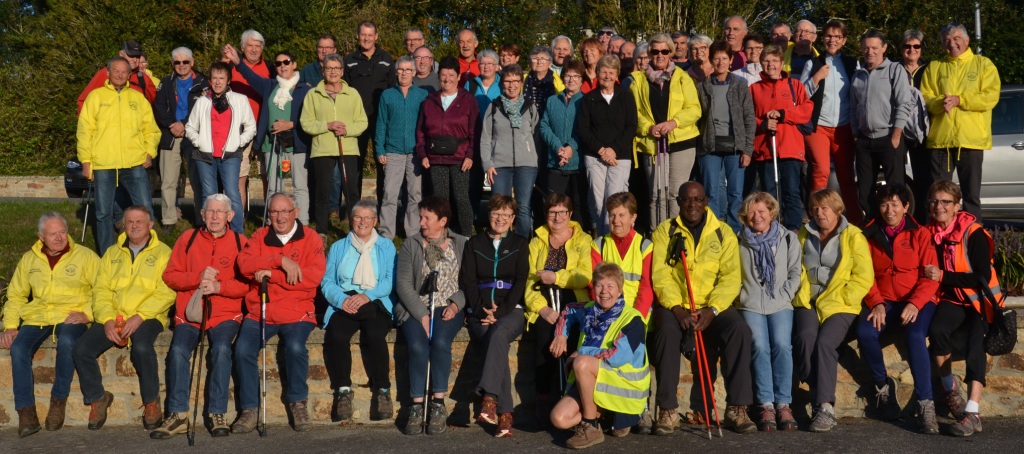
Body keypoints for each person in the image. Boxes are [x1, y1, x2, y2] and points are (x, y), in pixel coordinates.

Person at [649, 182, 754, 435]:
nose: (692, 205)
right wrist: (676, 308)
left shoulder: (723, 232)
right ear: (678, 202)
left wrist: (714, 309)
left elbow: (730, 278)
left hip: (711, 304)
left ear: (706, 201)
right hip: (676, 305)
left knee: (740, 331)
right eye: (686, 200)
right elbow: (661, 276)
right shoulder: (665, 231)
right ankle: (668, 410)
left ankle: (737, 408)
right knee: (666, 333)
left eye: (697, 200)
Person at [152, 194, 248, 439]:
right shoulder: (188, 238)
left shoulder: (240, 242)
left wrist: (219, 287)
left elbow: (247, 285)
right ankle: (177, 414)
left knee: (223, 349)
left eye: (220, 212)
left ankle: (217, 413)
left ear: (230, 216)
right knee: (177, 351)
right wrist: (197, 277)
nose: (215, 216)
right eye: (210, 211)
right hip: (190, 312)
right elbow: (170, 275)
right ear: (202, 214)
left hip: (226, 313)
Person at [72, 206, 175, 431]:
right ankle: (98, 398)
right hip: (115, 315)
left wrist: (140, 317)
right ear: (123, 225)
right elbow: (100, 290)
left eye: (140, 221)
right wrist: (107, 319)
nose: (135, 225)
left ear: (150, 225)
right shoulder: (112, 253)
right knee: (81, 349)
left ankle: (151, 402)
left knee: (141, 347)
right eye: (130, 222)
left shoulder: (164, 253)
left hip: (148, 316)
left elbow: (167, 291)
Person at [233, 193, 326, 433]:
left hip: (297, 311)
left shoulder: (311, 238)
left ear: (295, 212)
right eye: (274, 211)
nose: (280, 217)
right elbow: (244, 264)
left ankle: (298, 402)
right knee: (243, 350)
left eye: (285, 211)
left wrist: (271, 274)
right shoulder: (260, 236)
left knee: (295, 348)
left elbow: (312, 277)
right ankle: (250, 409)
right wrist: (279, 260)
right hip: (260, 309)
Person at [3, 213, 99, 437]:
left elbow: (102, 290)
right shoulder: (30, 259)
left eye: (62, 232)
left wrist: (88, 314)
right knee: (17, 349)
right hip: (37, 316)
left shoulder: (85, 256)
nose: (59, 238)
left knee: (67, 342)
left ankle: (58, 401)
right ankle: (26, 412)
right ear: (41, 236)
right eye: (52, 234)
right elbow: (16, 295)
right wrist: (10, 325)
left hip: (70, 314)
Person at [856, 184, 939, 432]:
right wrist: (876, 302)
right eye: (884, 204)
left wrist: (915, 303)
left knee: (915, 335)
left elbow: (930, 276)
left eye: (894, 204)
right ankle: (882, 387)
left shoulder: (921, 234)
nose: (889, 210)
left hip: (917, 300)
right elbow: (864, 274)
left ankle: (926, 404)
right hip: (885, 300)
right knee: (865, 333)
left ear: (906, 206)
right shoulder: (868, 235)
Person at [924, 180, 1002, 437]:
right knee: (937, 331)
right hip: (953, 299)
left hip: (979, 300)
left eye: (946, 201)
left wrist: (943, 276)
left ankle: (973, 412)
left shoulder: (975, 232)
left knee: (975, 346)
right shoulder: (929, 232)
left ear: (957, 205)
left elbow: (980, 277)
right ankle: (950, 390)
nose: (939, 206)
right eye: (935, 201)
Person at [793, 189, 873, 432]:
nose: (819, 213)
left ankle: (825, 406)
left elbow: (863, 276)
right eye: (815, 209)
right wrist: (800, 294)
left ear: (838, 210)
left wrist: (845, 297)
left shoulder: (853, 235)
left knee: (825, 343)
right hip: (809, 299)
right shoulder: (804, 234)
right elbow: (795, 267)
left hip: (840, 303)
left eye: (824, 208)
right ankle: (818, 390)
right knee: (805, 338)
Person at [549, 263, 650, 448]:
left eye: (610, 286)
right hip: (595, 380)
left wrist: (581, 352)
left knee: (581, 363)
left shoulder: (633, 319)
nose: (604, 292)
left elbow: (616, 356)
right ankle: (600, 411)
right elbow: (568, 310)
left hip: (622, 387)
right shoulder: (589, 310)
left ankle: (591, 426)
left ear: (620, 290)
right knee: (559, 419)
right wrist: (561, 335)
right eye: (599, 285)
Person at [394, 196, 468, 435]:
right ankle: (416, 405)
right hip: (416, 307)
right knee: (416, 345)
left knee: (439, 342)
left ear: (443, 221)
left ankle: (437, 403)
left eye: (427, 218)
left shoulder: (461, 243)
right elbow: (404, 284)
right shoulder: (411, 244)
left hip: (448, 307)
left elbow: (470, 282)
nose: (422, 222)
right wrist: (423, 315)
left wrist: (456, 304)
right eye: (421, 217)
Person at [321, 199, 396, 423]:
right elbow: (327, 281)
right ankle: (343, 391)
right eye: (357, 217)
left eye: (367, 218)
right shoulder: (338, 247)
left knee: (374, 334)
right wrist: (342, 299)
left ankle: (382, 390)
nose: (362, 222)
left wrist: (367, 296)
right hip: (346, 301)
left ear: (375, 221)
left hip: (376, 301)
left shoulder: (386, 246)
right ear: (350, 220)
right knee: (337, 335)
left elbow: (389, 280)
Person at [77, 56, 160, 255]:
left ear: (129, 74)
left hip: (134, 163)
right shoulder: (95, 97)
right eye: (116, 71)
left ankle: (149, 253)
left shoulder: (138, 99)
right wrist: (86, 161)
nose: (120, 75)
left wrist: (149, 152)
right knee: (103, 213)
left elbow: (152, 130)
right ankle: (107, 255)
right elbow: (85, 131)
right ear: (108, 73)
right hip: (103, 164)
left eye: (124, 72)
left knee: (145, 209)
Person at [463, 195, 530, 438]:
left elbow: (521, 280)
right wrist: (482, 309)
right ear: (488, 215)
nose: (500, 219)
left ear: (513, 219)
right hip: (479, 311)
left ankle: (490, 397)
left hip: (511, 310)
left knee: (499, 332)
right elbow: (468, 281)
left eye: (506, 215)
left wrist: (500, 312)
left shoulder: (521, 243)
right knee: (495, 337)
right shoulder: (474, 243)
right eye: (495, 214)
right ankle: (504, 414)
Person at [919, 23, 1001, 221]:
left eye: (956, 38)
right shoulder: (935, 67)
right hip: (940, 143)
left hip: (970, 142)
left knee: (971, 197)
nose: (951, 43)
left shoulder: (983, 65)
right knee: (938, 198)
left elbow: (990, 96)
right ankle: (938, 242)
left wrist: (960, 100)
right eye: (946, 39)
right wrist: (941, 103)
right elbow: (924, 98)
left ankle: (971, 240)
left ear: (967, 40)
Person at [524, 194, 594, 423]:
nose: (557, 217)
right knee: (545, 339)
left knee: (575, 339)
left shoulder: (583, 240)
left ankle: (576, 399)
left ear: (570, 214)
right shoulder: (536, 241)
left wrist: (556, 277)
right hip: (545, 302)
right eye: (552, 212)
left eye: (562, 212)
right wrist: (541, 308)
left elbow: (585, 275)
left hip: (575, 300)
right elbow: (527, 280)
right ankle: (543, 399)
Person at [735, 192, 801, 431]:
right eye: (751, 212)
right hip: (751, 303)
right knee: (760, 346)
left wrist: (786, 294)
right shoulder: (739, 240)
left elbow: (795, 271)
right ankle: (766, 405)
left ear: (772, 212)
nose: (757, 216)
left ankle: (784, 403)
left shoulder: (787, 238)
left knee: (782, 344)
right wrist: (742, 294)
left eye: (762, 211)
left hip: (780, 302)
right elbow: (734, 273)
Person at [226, 47, 314, 226]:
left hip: (296, 143)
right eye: (279, 63)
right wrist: (237, 61)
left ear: (294, 64)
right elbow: (250, 77)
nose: (283, 66)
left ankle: (303, 224)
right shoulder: (270, 86)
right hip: (272, 143)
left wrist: (290, 124)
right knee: (274, 187)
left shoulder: (305, 90)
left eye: (286, 62)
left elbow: (311, 117)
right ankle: (273, 222)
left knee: (300, 187)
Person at [631, 34, 701, 229]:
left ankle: (677, 234)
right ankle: (657, 235)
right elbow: (634, 113)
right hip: (653, 144)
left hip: (681, 143)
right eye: (655, 51)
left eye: (664, 51)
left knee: (676, 194)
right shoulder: (638, 81)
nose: (659, 55)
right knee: (656, 195)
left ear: (670, 53)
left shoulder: (683, 78)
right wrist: (648, 128)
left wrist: (674, 122)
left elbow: (695, 109)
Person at [800, 19, 862, 225]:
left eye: (837, 36)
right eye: (828, 36)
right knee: (821, 172)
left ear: (844, 40)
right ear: (822, 38)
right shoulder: (813, 63)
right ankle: (816, 218)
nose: (832, 40)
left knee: (846, 177)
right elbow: (801, 96)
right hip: (818, 127)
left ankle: (855, 222)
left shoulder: (853, 64)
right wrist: (816, 77)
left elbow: (861, 94)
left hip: (844, 127)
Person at [185, 62, 257, 235]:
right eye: (214, 78)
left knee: (232, 194)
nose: (218, 82)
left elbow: (251, 127)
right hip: (205, 156)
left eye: (221, 78)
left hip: (230, 155)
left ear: (228, 80)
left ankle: (238, 233)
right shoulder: (202, 101)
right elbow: (190, 127)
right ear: (210, 80)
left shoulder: (240, 100)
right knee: (208, 195)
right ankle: (209, 231)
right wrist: (199, 142)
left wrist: (238, 142)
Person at [300, 53, 369, 236]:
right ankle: (321, 232)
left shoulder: (352, 93)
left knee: (351, 191)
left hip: (348, 148)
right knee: (322, 191)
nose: (333, 72)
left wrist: (347, 130)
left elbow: (362, 122)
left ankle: (356, 231)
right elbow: (306, 123)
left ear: (342, 70)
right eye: (329, 68)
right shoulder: (313, 94)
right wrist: (327, 126)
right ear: (323, 70)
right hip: (322, 150)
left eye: (337, 68)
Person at [851, 30, 914, 219]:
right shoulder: (858, 75)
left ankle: (897, 230)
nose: (870, 51)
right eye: (866, 48)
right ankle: (874, 229)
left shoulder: (895, 70)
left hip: (888, 138)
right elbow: (853, 108)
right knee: (864, 191)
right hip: (864, 141)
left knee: (895, 191)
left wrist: (896, 134)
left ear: (884, 48)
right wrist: (855, 133)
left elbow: (905, 102)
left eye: (875, 48)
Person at [749, 44, 813, 230]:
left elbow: (806, 110)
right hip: (765, 149)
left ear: (782, 63)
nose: (771, 65)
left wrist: (783, 115)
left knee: (791, 192)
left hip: (790, 148)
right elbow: (746, 116)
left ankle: (793, 229)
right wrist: (762, 124)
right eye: (766, 61)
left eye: (775, 61)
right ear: (761, 63)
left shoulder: (795, 85)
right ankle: (771, 228)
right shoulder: (754, 89)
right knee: (769, 193)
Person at [695, 40, 755, 233]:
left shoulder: (740, 85)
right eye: (716, 58)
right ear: (711, 60)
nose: (720, 62)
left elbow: (749, 118)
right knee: (711, 191)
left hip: (736, 146)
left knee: (735, 192)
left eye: (724, 58)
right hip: (709, 145)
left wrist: (747, 149)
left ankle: (735, 231)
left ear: (730, 60)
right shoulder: (702, 86)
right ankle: (714, 231)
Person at [416, 57, 479, 237]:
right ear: (438, 76)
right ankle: (442, 235)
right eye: (443, 75)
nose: (447, 79)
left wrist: (470, 154)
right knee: (440, 200)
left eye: (451, 75)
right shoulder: (429, 101)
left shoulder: (468, 100)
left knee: (461, 198)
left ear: (458, 76)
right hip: (435, 158)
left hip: (460, 157)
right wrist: (422, 154)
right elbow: (421, 131)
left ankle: (466, 235)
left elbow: (475, 130)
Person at [579, 55, 637, 236]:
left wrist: (613, 150)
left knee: (616, 201)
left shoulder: (626, 97)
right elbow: (583, 130)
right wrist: (602, 150)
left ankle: (618, 239)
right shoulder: (589, 99)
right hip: (595, 157)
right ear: (597, 73)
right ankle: (602, 239)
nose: (607, 76)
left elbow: (631, 126)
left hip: (620, 157)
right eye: (604, 71)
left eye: (611, 72)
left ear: (617, 74)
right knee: (598, 202)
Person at [481, 64, 541, 237]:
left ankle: (521, 245)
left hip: (526, 165)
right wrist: (487, 164)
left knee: (523, 207)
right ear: (502, 83)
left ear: (521, 83)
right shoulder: (494, 107)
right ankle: (500, 240)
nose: (512, 85)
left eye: (516, 81)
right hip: (499, 165)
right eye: (508, 81)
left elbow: (536, 136)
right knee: (499, 207)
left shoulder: (530, 106)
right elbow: (485, 138)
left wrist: (535, 161)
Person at [154, 47, 208, 230]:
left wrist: (184, 124)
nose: (182, 65)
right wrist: (173, 125)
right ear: (173, 64)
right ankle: (168, 219)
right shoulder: (165, 83)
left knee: (198, 180)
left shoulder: (203, 83)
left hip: (194, 136)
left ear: (192, 62)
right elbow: (159, 108)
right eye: (177, 62)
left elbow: (204, 109)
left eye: (185, 61)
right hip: (171, 135)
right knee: (168, 181)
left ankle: (201, 219)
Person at [376, 56, 429, 239]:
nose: (404, 73)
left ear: (414, 72)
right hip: (393, 150)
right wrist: (380, 149)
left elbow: (426, 126)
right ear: (396, 72)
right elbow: (381, 123)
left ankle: (413, 232)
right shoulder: (387, 95)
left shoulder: (422, 95)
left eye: (408, 70)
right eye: (401, 70)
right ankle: (386, 233)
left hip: (415, 152)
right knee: (390, 193)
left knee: (415, 194)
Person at [344, 20, 396, 203]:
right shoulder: (348, 60)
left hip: (380, 120)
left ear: (376, 37)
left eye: (370, 35)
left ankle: (383, 207)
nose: (366, 38)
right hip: (356, 121)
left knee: (382, 163)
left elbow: (392, 90)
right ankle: (353, 207)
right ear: (358, 36)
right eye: (363, 34)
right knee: (354, 165)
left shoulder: (387, 59)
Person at [226, 30, 277, 212]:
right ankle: (240, 217)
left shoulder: (271, 68)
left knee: (267, 174)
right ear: (242, 47)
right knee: (240, 176)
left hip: (264, 128)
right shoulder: (229, 67)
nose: (254, 50)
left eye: (258, 46)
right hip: (238, 129)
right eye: (250, 45)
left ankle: (269, 215)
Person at [591, 192, 653, 318]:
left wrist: (635, 318)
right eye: (612, 215)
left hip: (636, 314)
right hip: (605, 313)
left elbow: (647, 288)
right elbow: (593, 285)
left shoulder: (645, 246)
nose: (616, 221)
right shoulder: (598, 245)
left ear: (633, 217)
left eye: (622, 215)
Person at [540, 60, 586, 225]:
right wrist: (558, 147)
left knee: (579, 208)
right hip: (555, 162)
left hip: (578, 164)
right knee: (554, 207)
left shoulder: (586, 101)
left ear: (582, 80)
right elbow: (544, 126)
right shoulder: (553, 100)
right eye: (567, 75)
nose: (571, 79)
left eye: (576, 76)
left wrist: (570, 148)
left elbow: (586, 129)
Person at [900, 29, 931, 222]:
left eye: (916, 46)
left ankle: (924, 221)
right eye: (907, 46)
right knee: (900, 179)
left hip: (924, 133)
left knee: (924, 179)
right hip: (899, 131)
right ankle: (904, 221)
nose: (912, 50)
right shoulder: (894, 69)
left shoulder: (929, 69)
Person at [76, 40, 158, 114]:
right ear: (121, 54)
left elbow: (157, 105)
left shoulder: (143, 79)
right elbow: (83, 101)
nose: (135, 60)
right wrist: (89, 126)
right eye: (131, 55)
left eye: (137, 56)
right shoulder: (105, 74)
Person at [524, 46, 564, 119]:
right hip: (525, 123)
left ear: (550, 63)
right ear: (530, 62)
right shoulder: (523, 79)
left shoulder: (558, 80)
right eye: (535, 58)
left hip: (550, 121)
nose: (539, 62)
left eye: (543, 59)